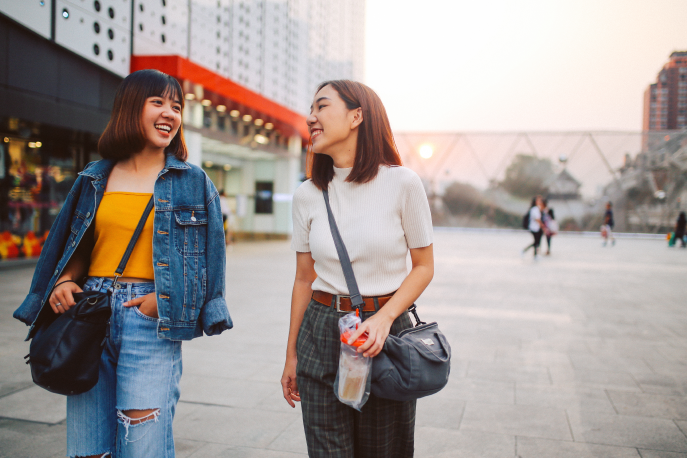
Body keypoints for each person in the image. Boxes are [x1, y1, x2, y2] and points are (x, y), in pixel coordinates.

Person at [13, 69, 232, 458]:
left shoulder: (192, 182)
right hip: (89, 311)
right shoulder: (95, 176)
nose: (170, 113)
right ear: (131, 108)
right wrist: (64, 281)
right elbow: (75, 245)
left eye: (176, 106)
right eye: (158, 102)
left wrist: (165, 303)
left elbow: (210, 260)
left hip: (150, 318)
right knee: (88, 445)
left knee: (141, 439)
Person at [280, 80, 434, 458]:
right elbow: (303, 278)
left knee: (383, 450)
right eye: (310, 108)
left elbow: (424, 267)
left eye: (321, 106)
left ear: (356, 116)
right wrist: (291, 356)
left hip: (383, 335)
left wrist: (384, 319)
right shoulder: (307, 194)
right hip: (320, 332)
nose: (310, 117)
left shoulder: (403, 183)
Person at [522, 195, 545, 260]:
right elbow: (537, 219)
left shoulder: (537, 208)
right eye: (539, 200)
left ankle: (535, 255)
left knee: (536, 242)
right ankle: (524, 251)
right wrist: (542, 225)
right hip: (534, 228)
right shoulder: (535, 209)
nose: (540, 201)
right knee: (536, 242)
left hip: (536, 228)